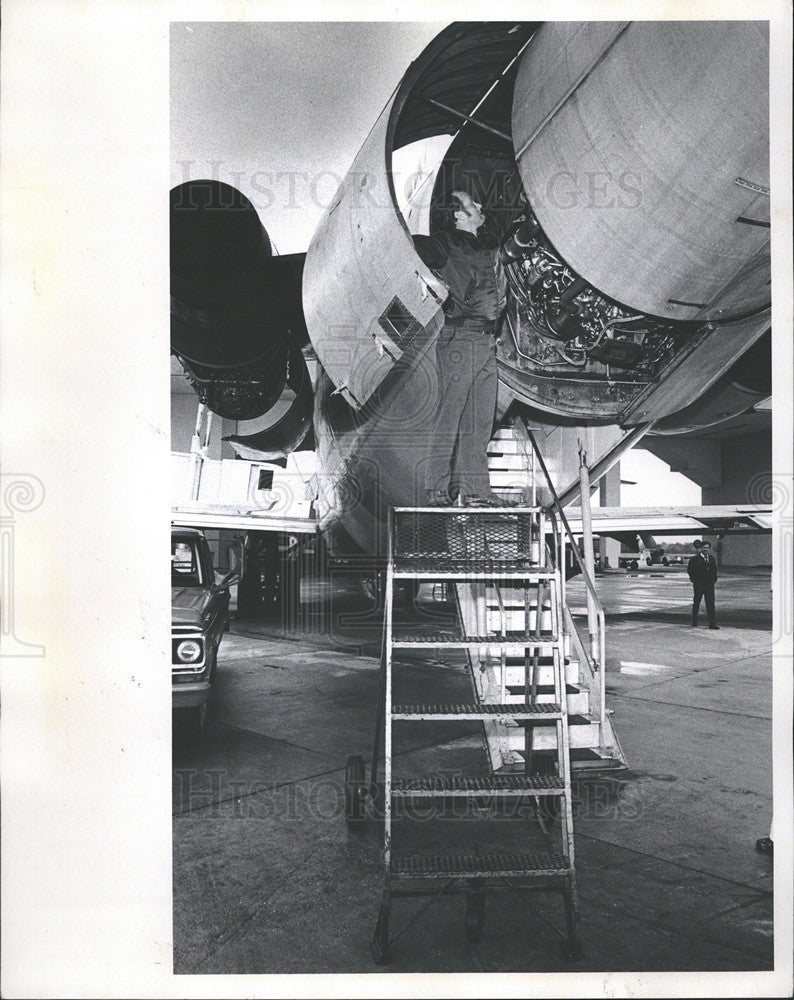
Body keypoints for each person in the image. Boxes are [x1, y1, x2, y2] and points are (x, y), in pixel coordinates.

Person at [413, 190, 510, 507]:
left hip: (485, 340)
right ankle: (436, 488)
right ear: (457, 216)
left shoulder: (484, 245)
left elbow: (495, 228)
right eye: (471, 205)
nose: (479, 206)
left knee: (479, 421)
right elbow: (412, 246)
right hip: (462, 338)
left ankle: (475, 491)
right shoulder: (445, 244)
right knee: (450, 416)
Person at [687, 539, 719, 629]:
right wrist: (695, 581)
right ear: (701, 548)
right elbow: (690, 570)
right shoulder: (694, 559)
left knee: (710, 603)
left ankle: (712, 624)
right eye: (704, 548)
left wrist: (713, 580)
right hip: (699, 584)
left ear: (709, 549)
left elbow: (714, 570)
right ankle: (694, 621)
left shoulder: (711, 558)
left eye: (707, 548)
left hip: (709, 584)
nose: (706, 549)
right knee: (696, 602)